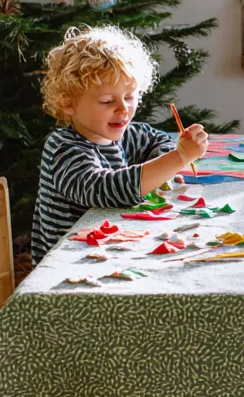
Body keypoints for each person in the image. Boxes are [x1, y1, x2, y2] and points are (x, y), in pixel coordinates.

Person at [31, 25, 207, 264]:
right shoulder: (62, 148)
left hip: (111, 254)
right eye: (106, 101)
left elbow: (161, 140)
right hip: (67, 269)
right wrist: (178, 159)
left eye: (129, 96)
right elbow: (106, 190)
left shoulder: (126, 134)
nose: (123, 109)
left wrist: (166, 168)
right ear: (68, 103)